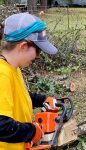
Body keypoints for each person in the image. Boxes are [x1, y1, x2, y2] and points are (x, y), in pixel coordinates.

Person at [0, 13, 58, 150]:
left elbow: (17, 97)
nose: (38, 56)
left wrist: (42, 100)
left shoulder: (13, 68)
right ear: (23, 46)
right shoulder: (2, 74)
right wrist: (32, 131)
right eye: (38, 50)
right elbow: (2, 125)